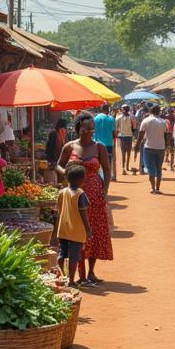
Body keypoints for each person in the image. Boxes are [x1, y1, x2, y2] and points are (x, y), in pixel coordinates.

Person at [57, 112, 113, 285]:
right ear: (79, 129)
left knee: (94, 233)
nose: (90, 131)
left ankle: (91, 272)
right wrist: (67, 174)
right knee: (78, 232)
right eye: (87, 128)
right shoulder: (69, 147)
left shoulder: (100, 147)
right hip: (76, 195)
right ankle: (79, 275)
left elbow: (107, 170)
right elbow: (58, 165)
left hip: (95, 196)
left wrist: (104, 192)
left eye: (92, 128)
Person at [56, 163, 92, 286]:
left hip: (63, 229)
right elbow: (84, 214)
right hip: (76, 231)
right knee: (74, 257)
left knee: (62, 254)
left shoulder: (62, 192)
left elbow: (59, 210)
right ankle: (71, 280)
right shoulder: (80, 194)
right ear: (82, 180)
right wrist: (88, 229)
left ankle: (64, 275)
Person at [137, 104, 169, 194]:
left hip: (149, 147)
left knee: (151, 169)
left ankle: (153, 188)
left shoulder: (146, 120)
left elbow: (141, 134)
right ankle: (158, 188)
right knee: (159, 168)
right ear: (159, 112)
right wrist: (167, 146)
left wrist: (137, 144)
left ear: (150, 111)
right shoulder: (163, 122)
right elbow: (167, 134)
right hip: (161, 148)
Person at [93, 104, 116, 181]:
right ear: (108, 109)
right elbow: (114, 134)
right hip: (108, 144)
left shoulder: (95, 119)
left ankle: (98, 179)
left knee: (97, 163)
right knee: (107, 165)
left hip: (97, 144)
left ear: (101, 109)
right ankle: (105, 181)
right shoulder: (111, 119)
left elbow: (93, 131)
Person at [116, 105, 136, 174]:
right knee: (126, 153)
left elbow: (116, 128)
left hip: (124, 136)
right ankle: (125, 167)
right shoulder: (130, 117)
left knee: (125, 153)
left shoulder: (120, 117)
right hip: (126, 136)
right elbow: (134, 128)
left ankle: (125, 167)